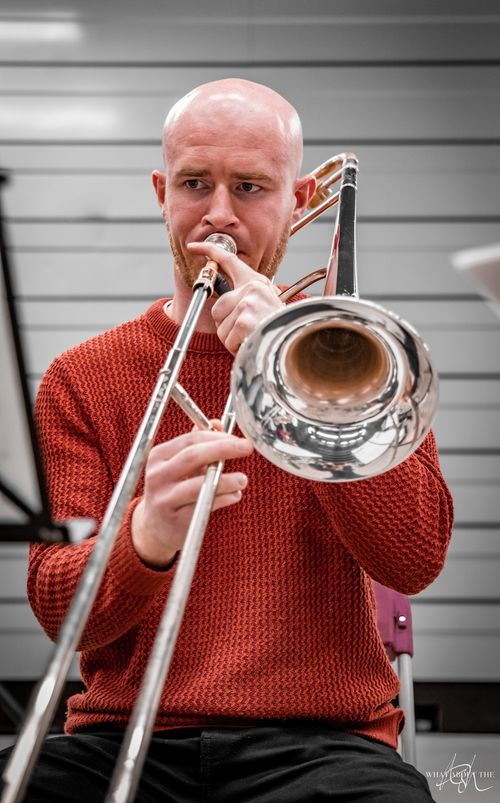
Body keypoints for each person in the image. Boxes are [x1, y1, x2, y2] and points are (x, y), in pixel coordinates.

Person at [1, 79, 453, 801]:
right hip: (122, 739)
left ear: (300, 199)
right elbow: (60, 613)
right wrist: (145, 534)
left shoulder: (364, 357)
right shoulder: (81, 377)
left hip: (323, 744)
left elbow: (414, 555)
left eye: (249, 187)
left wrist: (310, 390)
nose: (217, 216)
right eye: (194, 184)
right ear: (160, 190)